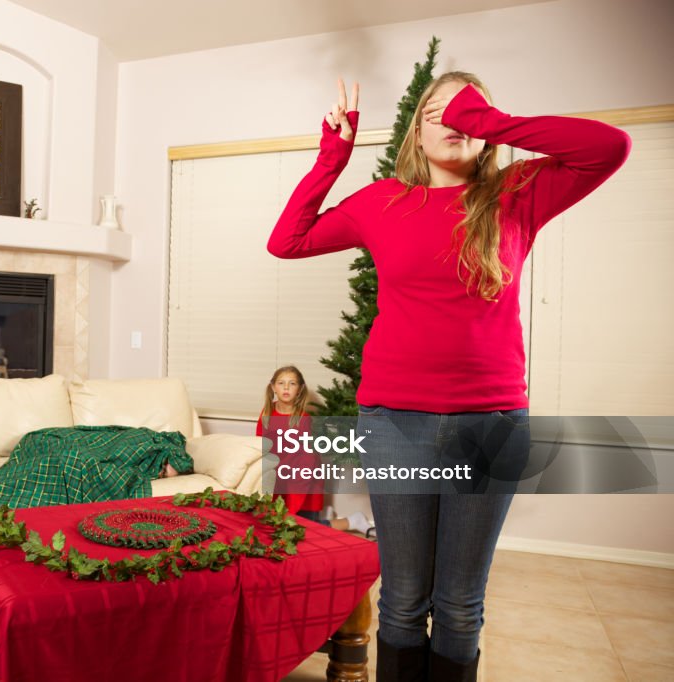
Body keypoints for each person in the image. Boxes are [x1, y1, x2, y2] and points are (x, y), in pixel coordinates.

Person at [268, 74, 629, 680]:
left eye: (471, 109)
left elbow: (609, 146)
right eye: (440, 110)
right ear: (416, 129)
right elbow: (288, 241)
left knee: (460, 607)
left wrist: (494, 122)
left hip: (490, 427)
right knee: (403, 601)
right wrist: (333, 159)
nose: (457, 119)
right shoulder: (383, 202)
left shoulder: (518, 192)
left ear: (487, 125)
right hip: (393, 425)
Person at [256, 366, 372, 534]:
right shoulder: (266, 414)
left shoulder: (303, 419)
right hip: (277, 480)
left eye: (292, 383)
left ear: (300, 389)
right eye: (281, 383)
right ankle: (325, 516)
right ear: (273, 387)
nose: (286, 388)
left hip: (302, 481)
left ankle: (352, 521)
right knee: (275, 526)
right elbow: (259, 448)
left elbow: (307, 461)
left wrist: (293, 498)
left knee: (301, 530)